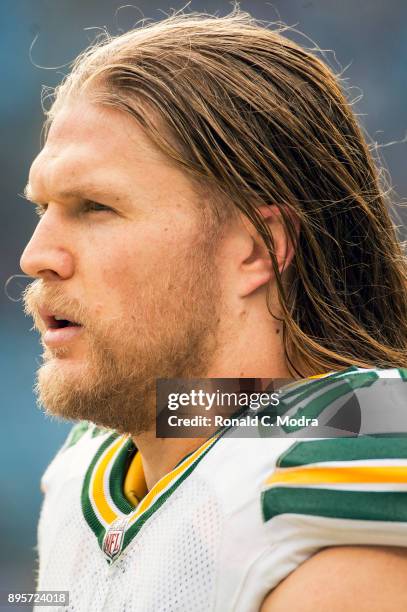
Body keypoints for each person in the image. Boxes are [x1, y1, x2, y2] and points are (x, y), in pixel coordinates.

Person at [20, 10, 407, 612]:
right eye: (42, 208)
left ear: (254, 249)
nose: (36, 256)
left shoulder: (333, 489)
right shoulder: (89, 467)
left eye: (94, 206)